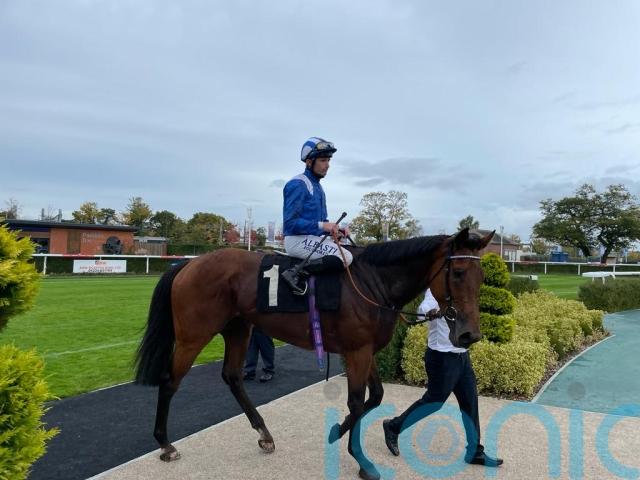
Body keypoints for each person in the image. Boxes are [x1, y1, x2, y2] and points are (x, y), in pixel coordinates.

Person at [382, 288, 504, 467]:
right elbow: (423, 308)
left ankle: (474, 452)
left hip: (462, 356)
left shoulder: (461, 289)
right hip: (442, 358)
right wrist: (431, 312)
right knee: (433, 402)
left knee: (470, 402)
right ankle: (393, 427)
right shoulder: (437, 290)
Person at [281, 137, 353, 294]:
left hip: (311, 238)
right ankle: (295, 273)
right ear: (309, 162)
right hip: (296, 240)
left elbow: (321, 222)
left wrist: (335, 230)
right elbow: (290, 224)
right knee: (346, 257)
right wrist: (323, 226)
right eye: (323, 160)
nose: (327, 165)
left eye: (328, 160)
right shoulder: (298, 184)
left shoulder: (318, 187)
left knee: (351, 251)